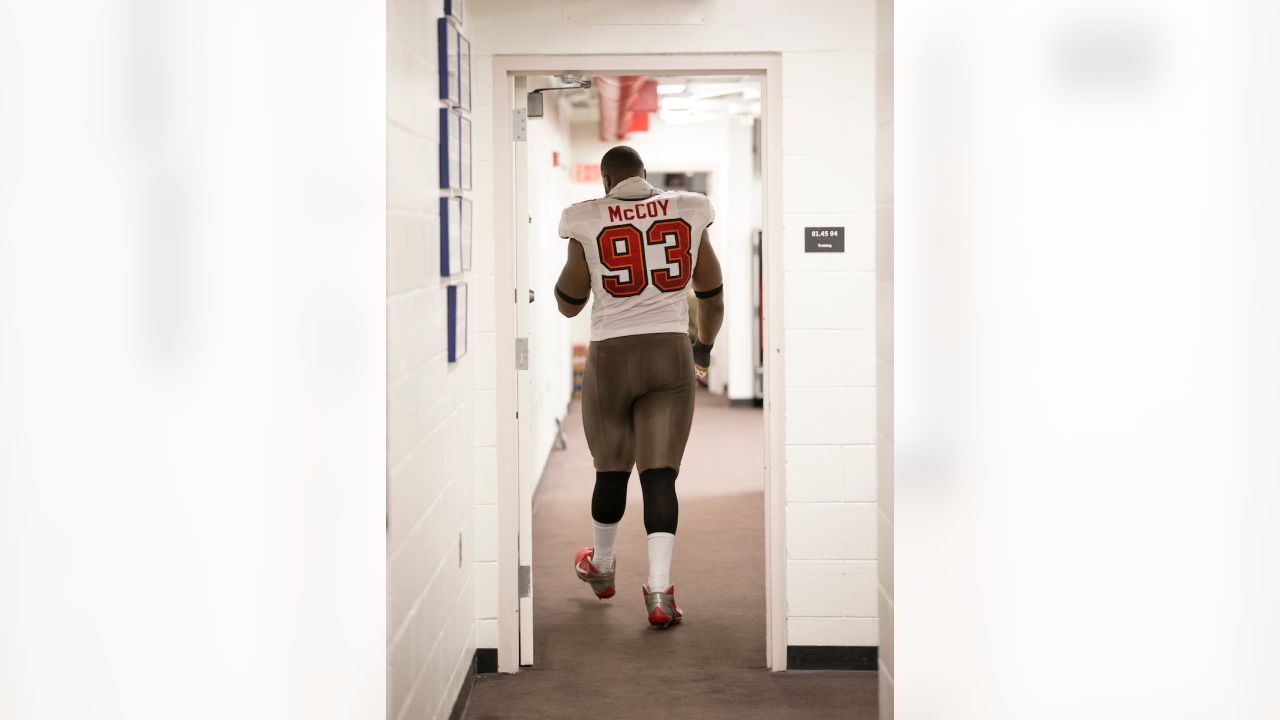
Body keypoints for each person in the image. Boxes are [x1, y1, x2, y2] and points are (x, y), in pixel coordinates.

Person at [554, 146, 724, 628]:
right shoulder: (689, 209)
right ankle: (660, 593)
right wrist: (703, 349)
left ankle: (602, 567)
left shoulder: (584, 218)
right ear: (645, 176)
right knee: (659, 474)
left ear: (606, 181)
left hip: (610, 355)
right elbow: (712, 295)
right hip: (669, 352)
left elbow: (569, 302)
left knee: (611, 470)